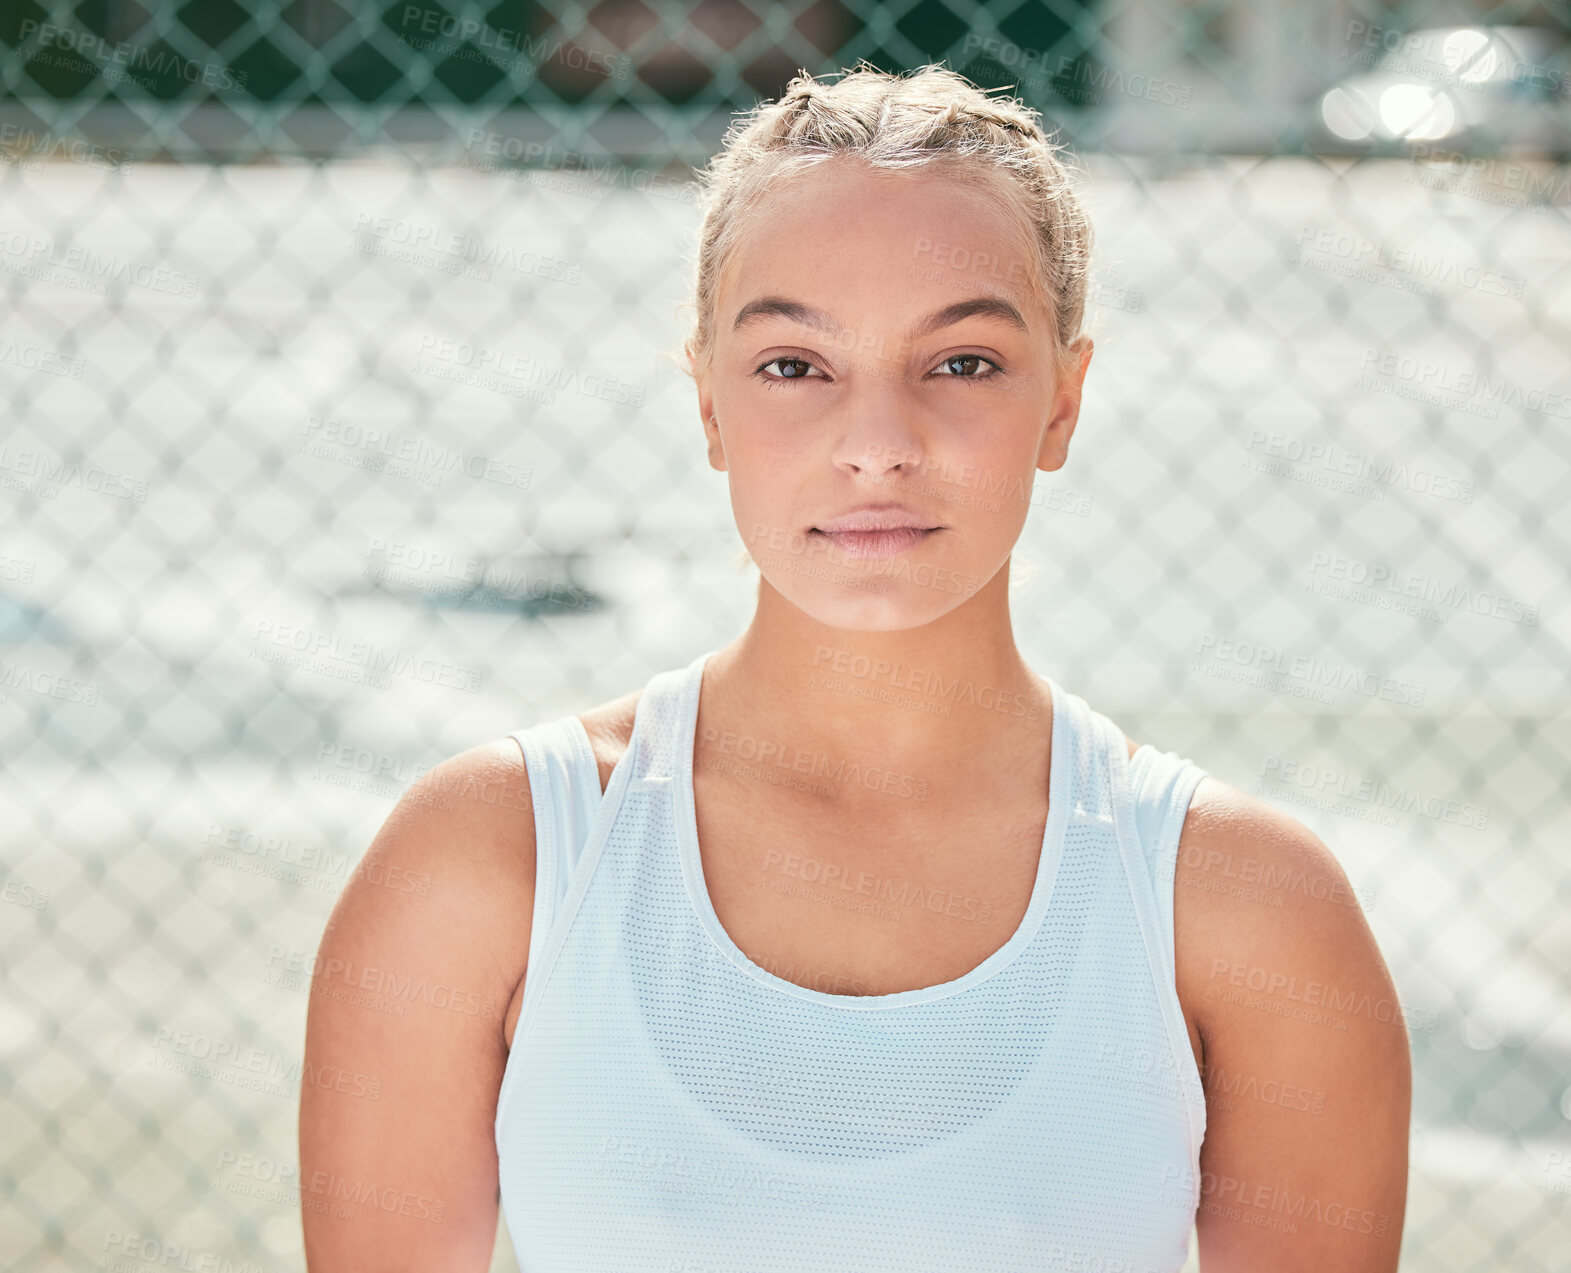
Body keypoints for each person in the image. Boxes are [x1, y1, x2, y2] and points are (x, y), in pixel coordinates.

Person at [300, 60, 1411, 1273]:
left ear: (1062, 401)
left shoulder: (1250, 908)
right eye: (793, 365)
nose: (877, 444)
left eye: (962, 362)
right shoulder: (488, 860)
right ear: (709, 403)